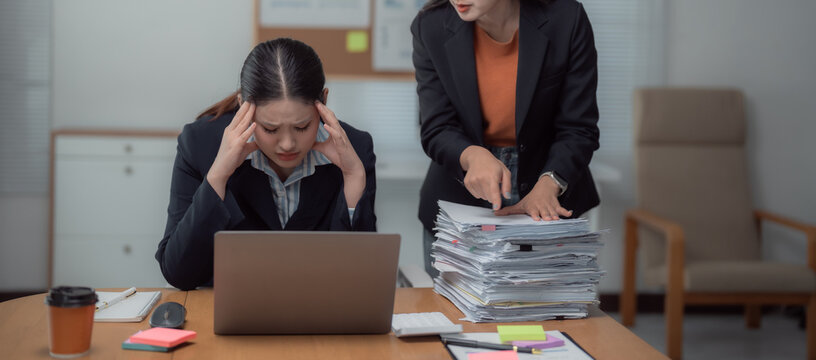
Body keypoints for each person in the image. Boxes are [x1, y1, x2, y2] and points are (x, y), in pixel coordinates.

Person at [156, 38, 377, 290]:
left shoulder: (354, 150)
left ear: (323, 102)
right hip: (227, 314)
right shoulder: (200, 144)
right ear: (243, 107)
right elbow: (178, 273)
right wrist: (218, 176)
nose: (287, 144)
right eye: (270, 129)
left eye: (302, 127)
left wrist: (354, 177)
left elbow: (361, 281)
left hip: (319, 314)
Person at [412, 0, 600, 275]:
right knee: (455, 314)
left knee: (547, 312)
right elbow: (436, 127)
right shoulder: (430, 26)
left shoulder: (567, 19)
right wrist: (473, 156)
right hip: (460, 197)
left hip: (548, 188)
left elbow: (578, 127)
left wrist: (550, 183)